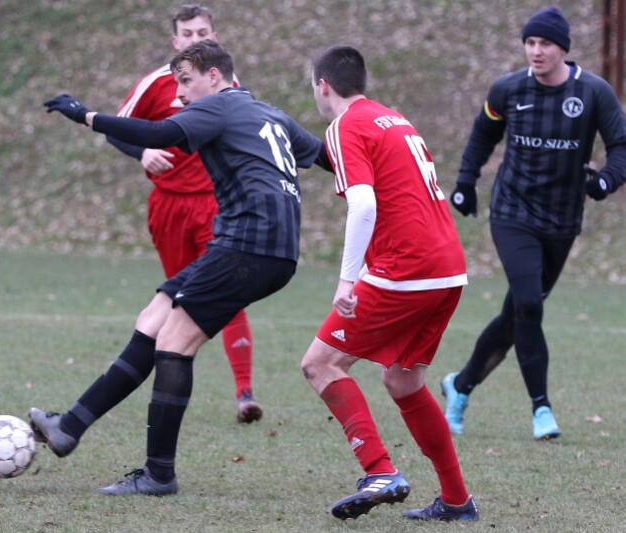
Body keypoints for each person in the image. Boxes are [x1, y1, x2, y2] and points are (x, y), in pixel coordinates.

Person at [33, 40, 330, 495]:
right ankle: (69, 427)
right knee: (154, 318)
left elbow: (157, 134)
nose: (180, 94)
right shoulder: (271, 114)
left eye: (186, 81)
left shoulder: (219, 106)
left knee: (174, 342)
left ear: (214, 76)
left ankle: (158, 474)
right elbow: (329, 157)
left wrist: (85, 115)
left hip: (248, 247)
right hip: (263, 248)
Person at [301, 44, 478, 522]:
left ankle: (379, 470)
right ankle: (456, 500)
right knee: (403, 379)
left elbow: (363, 204)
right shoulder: (393, 119)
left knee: (319, 364)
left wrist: (347, 280)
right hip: (447, 267)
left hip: (407, 268)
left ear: (323, 86)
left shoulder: (344, 126)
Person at [443, 6, 626, 440]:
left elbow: (621, 145)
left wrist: (606, 180)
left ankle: (460, 385)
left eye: (545, 43)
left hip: (561, 220)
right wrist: (466, 182)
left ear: (563, 48)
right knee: (528, 303)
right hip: (513, 213)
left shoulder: (593, 92)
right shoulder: (508, 89)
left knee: (517, 314)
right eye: (530, 42)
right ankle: (541, 408)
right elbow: (483, 134)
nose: (536, 51)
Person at [105, 4, 262, 423]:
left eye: (202, 33)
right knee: (178, 301)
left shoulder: (231, 88)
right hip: (169, 207)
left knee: (230, 293)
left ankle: (245, 393)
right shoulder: (156, 84)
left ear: (215, 38)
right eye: (188, 34)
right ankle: (169, 392)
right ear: (175, 41)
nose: (196, 39)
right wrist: (143, 152)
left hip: (217, 205)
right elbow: (117, 128)